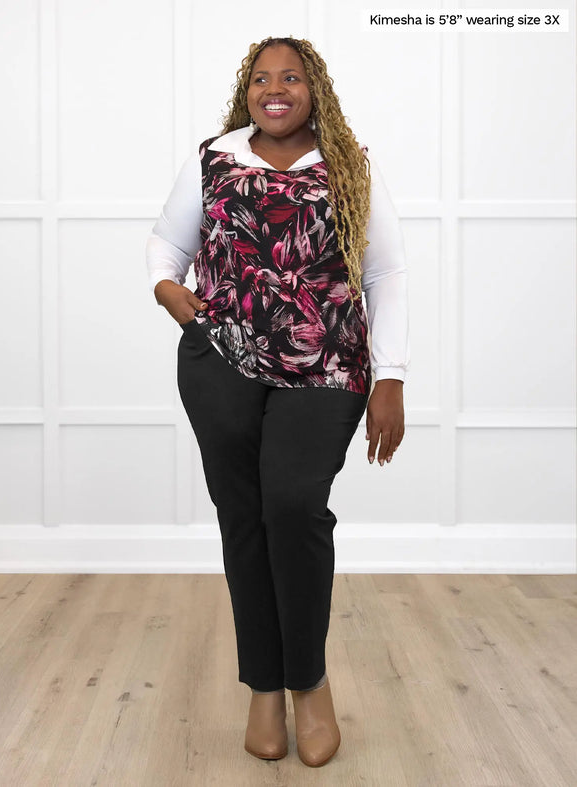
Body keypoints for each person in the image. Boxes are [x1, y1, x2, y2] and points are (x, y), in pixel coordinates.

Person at [145, 35, 410, 768]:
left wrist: (390, 374)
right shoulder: (215, 156)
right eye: (262, 78)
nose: (275, 88)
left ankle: (309, 682)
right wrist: (178, 300)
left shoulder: (349, 165)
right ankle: (263, 685)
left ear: (313, 88)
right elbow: (167, 249)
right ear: (247, 90)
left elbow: (386, 273)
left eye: (291, 76)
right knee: (244, 519)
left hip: (327, 365)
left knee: (292, 507)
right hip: (221, 362)